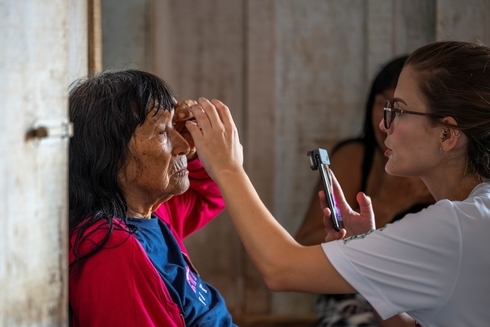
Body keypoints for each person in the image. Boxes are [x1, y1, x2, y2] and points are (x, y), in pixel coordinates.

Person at [185, 41, 490, 327]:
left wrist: (227, 167)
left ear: (447, 135)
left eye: (398, 110)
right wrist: (374, 260)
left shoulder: (453, 228)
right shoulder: (473, 217)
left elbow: (280, 268)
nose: (385, 124)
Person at [68, 70, 237, 326]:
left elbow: (214, 195)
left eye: (175, 128)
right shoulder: (113, 253)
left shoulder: (152, 211)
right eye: (161, 132)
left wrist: (192, 152)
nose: (185, 145)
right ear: (111, 157)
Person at [295, 56, 435, 326]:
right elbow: (301, 253)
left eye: (401, 110)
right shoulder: (355, 158)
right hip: (356, 300)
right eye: (382, 105)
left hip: (421, 296)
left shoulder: (445, 172)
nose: (386, 122)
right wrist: (386, 205)